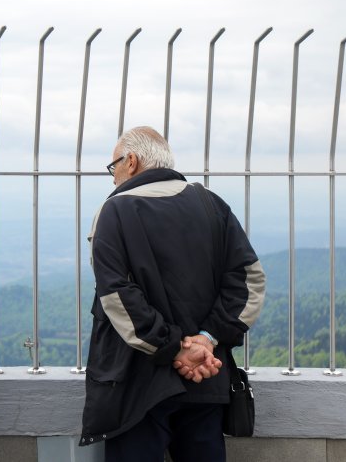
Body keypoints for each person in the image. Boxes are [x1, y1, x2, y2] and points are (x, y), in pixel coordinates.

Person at [79, 126, 266, 462]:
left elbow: (117, 297)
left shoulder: (115, 212)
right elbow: (248, 282)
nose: (113, 177)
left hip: (136, 387)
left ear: (132, 161)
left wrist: (174, 348)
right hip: (207, 379)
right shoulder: (212, 205)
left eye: (114, 167)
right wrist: (207, 339)